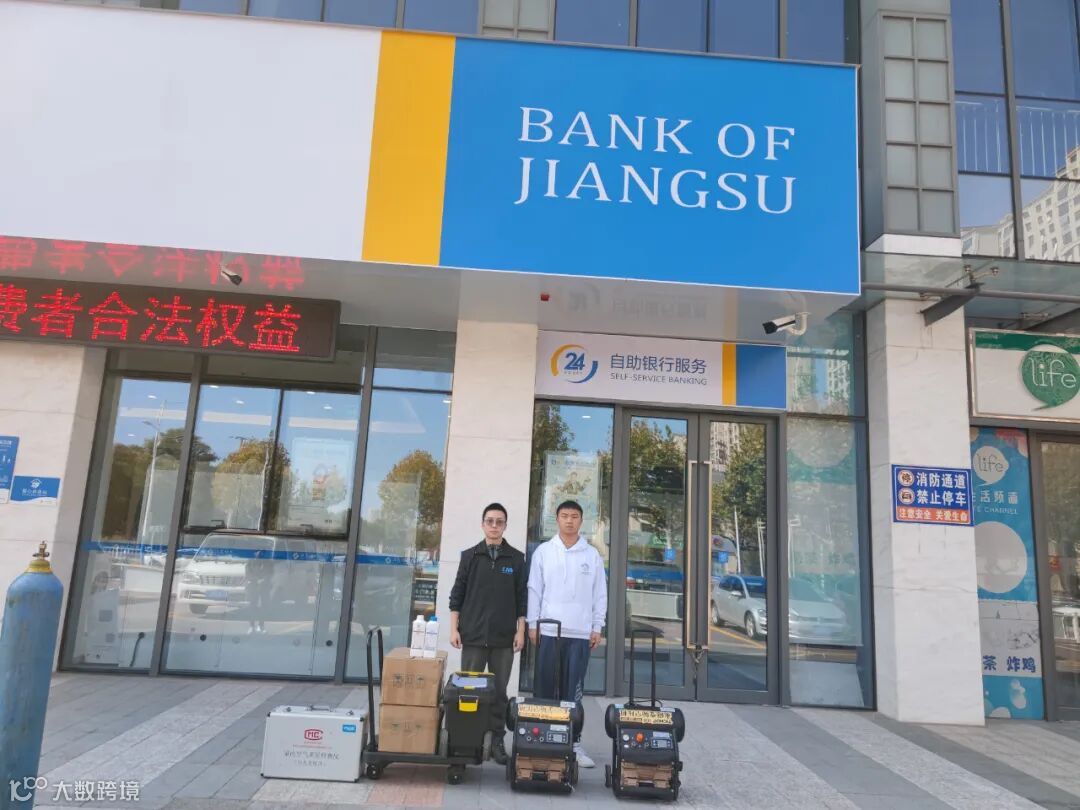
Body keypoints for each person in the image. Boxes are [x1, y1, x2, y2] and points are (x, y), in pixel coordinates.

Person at [526, 499, 607, 769]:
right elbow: (534, 589)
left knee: (573, 693)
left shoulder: (591, 555)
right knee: (544, 689)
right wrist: (533, 624)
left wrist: (597, 626)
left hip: (580, 634)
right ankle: (542, 742)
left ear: (581, 521)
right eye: (564, 515)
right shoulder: (544, 552)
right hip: (549, 630)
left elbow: (600, 593)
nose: (569, 520)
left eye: (574, 516)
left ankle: (574, 744)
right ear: (557, 519)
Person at [448, 502, 526, 766]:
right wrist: (454, 629)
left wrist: (520, 631)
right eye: (490, 521)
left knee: (499, 693)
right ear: (483, 524)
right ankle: (468, 740)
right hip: (472, 635)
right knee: (469, 690)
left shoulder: (516, 559)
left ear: (505, 526)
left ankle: (496, 741)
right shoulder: (469, 556)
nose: (494, 526)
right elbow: (457, 595)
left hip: (504, 639)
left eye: (499, 522)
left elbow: (522, 600)